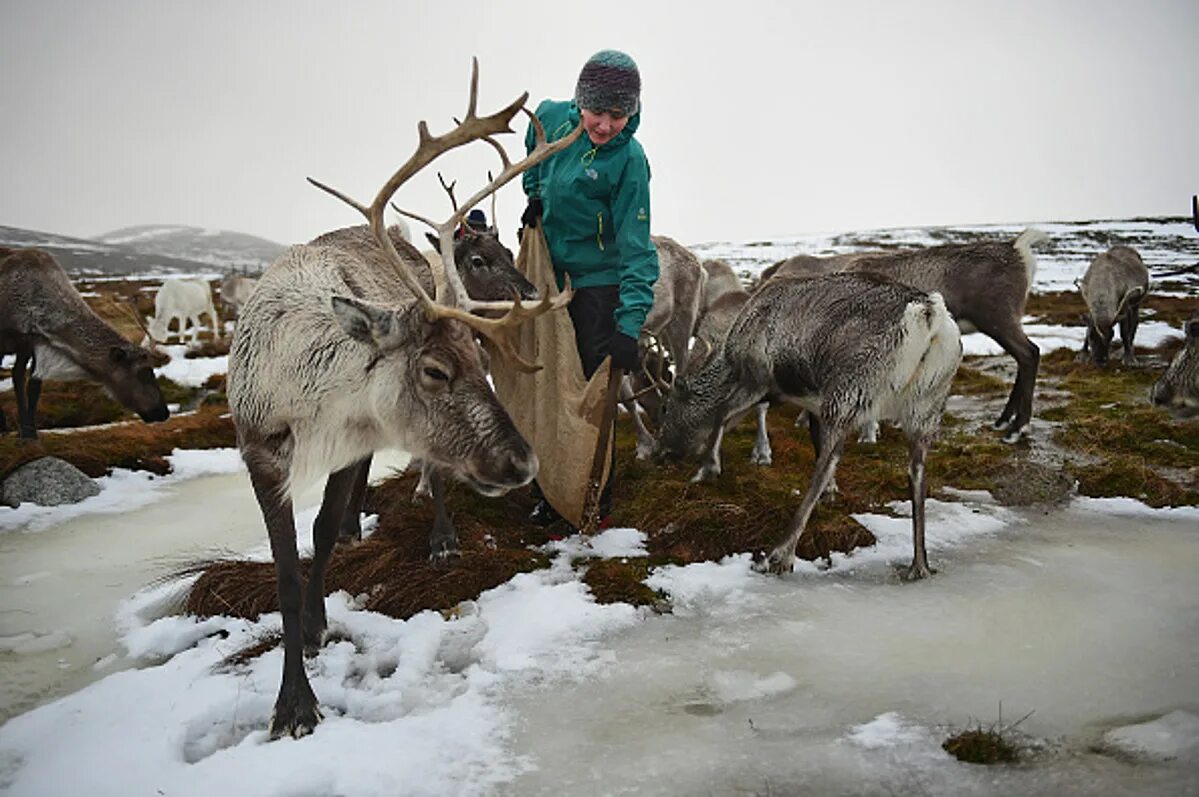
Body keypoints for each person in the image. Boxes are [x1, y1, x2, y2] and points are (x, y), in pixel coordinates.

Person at [519, 49, 660, 529]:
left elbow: (638, 251)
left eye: (617, 115)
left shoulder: (630, 162)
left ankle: (589, 496)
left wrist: (628, 326)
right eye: (597, 112)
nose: (604, 125)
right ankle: (546, 488)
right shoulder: (553, 117)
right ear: (580, 102)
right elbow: (533, 153)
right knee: (545, 385)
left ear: (631, 111)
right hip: (548, 274)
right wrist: (534, 195)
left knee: (587, 397)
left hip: (598, 284)